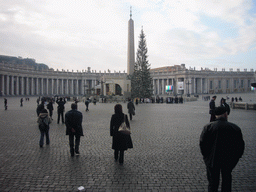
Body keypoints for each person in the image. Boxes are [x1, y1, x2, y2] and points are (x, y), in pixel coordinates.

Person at [200, 106, 244, 192]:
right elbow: (240, 147)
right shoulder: (235, 128)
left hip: (212, 160)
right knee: (227, 182)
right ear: (225, 114)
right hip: (228, 160)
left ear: (216, 115)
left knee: (213, 183)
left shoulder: (208, 127)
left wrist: (207, 158)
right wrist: (235, 159)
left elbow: (203, 144)